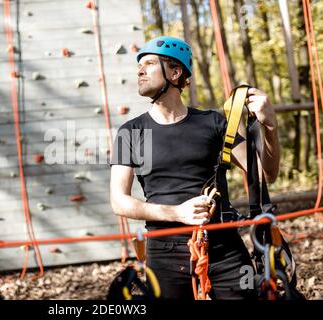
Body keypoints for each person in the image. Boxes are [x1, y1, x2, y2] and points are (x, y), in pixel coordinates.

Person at [109, 36, 280, 299]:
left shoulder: (213, 123)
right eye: (139, 66)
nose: (139, 70)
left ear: (175, 72)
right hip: (164, 251)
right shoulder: (130, 132)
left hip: (225, 247)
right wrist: (177, 212)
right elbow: (119, 202)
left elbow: (266, 173)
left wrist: (269, 126)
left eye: (149, 64)